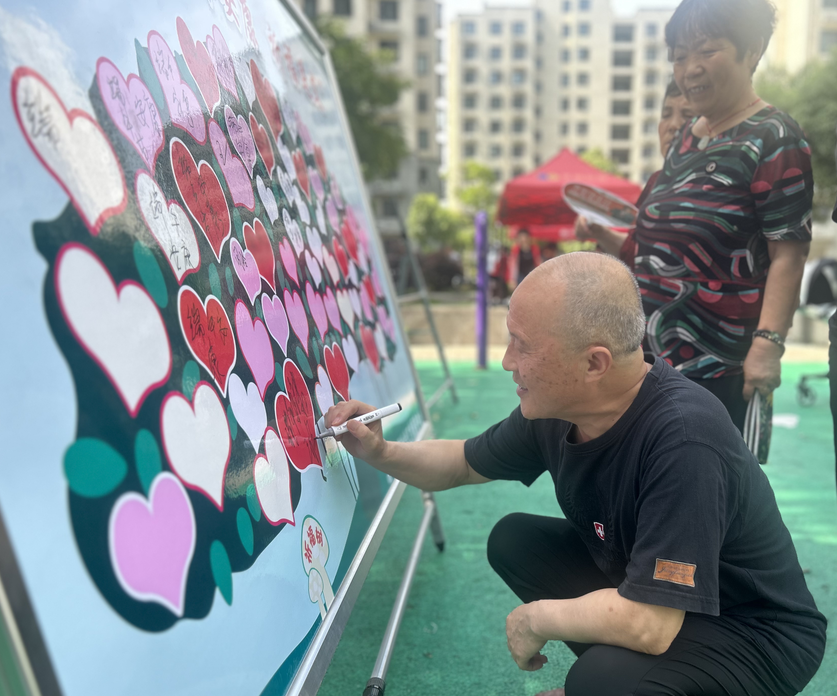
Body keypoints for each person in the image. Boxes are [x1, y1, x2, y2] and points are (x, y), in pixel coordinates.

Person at [326, 252, 825, 696]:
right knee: (515, 541)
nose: (507, 361)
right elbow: (461, 462)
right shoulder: (559, 409)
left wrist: (537, 618)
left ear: (594, 363)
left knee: (599, 681)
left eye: (521, 345)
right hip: (665, 603)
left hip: (754, 632)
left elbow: (650, 625)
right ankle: (638, 678)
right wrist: (380, 450)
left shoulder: (684, 439)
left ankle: (630, 680)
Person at [581, 0, 812, 434]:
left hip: (717, 363)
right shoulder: (687, 138)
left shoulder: (774, 137)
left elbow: (789, 254)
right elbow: (663, 245)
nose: (690, 68)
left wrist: (768, 345)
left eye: (707, 51)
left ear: (752, 49)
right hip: (648, 357)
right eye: (680, 55)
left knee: (702, 471)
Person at [576, 80, 696, 266]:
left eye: (687, 115)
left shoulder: (719, 187)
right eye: (666, 114)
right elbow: (636, 252)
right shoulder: (656, 182)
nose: (673, 125)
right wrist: (599, 231)